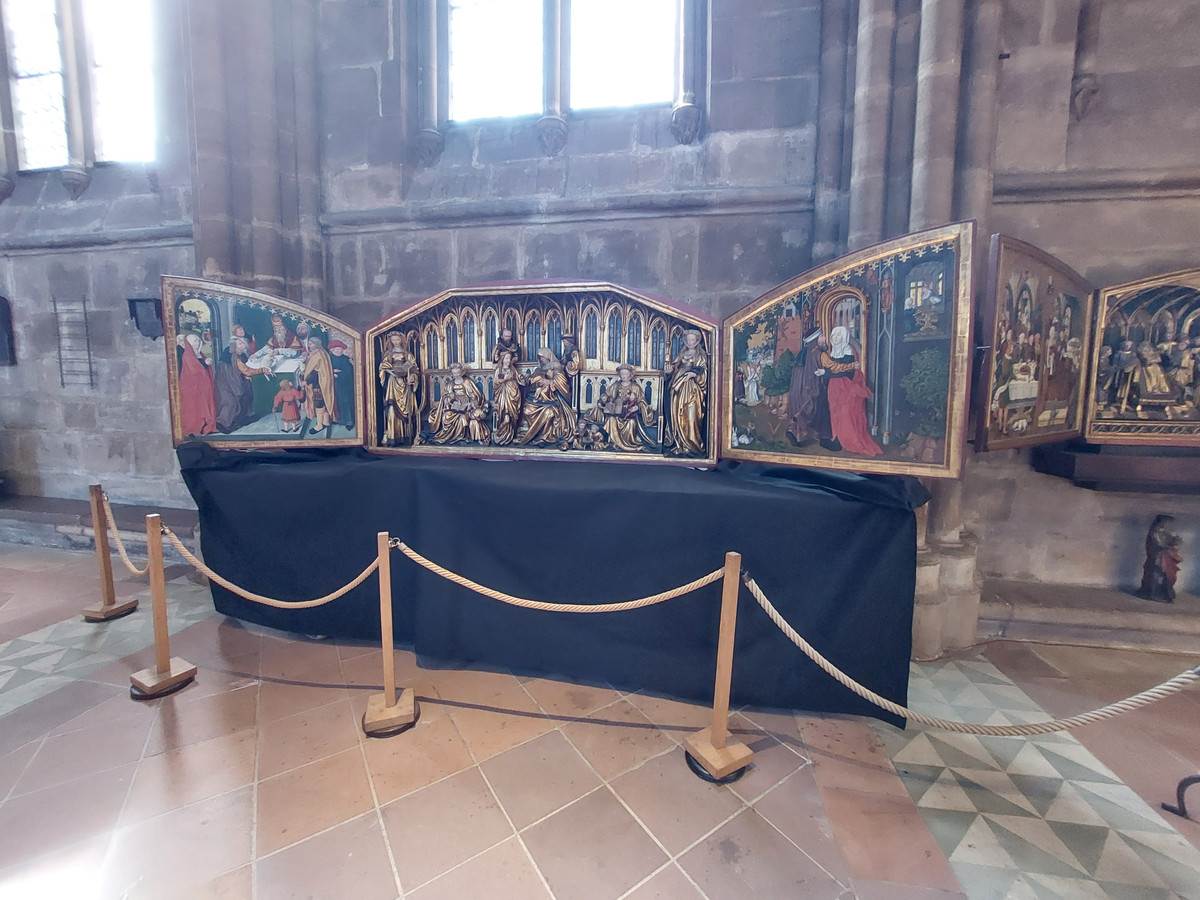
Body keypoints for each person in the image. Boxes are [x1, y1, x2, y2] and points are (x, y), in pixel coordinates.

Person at [820, 325, 883, 457]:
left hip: (847, 387)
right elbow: (834, 369)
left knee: (845, 413)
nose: (835, 338)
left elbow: (846, 372)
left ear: (844, 337)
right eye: (833, 335)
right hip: (835, 387)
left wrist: (826, 373)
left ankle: (846, 441)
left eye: (838, 335)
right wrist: (827, 373)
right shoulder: (833, 351)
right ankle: (836, 438)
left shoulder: (848, 350)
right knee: (835, 412)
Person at [786, 328, 838, 450]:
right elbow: (832, 368)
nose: (824, 338)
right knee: (817, 411)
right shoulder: (819, 354)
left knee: (809, 411)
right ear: (815, 340)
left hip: (801, 390)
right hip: (815, 388)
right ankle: (824, 438)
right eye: (822, 336)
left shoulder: (804, 352)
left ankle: (793, 430)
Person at [588, 364, 656, 452]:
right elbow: (606, 394)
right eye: (622, 374)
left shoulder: (635, 387)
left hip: (629, 413)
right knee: (611, 420)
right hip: (616, 412)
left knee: (631, 423)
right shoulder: (616, 385)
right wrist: (604, 398)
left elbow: (642, 401)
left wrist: (637, 407)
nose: (623, 376)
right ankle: (615, 443)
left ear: (630, 375)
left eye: (626, 374)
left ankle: (629, 443)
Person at [516, 347, 576, 447]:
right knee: (527, 409)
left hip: (553, 399)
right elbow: (533, 381)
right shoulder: (539, 369)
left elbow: (563, 383)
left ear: (547, 356)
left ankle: (545, 436)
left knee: (550, 412)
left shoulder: (556, 366)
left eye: (542, 357)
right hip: (539, 399)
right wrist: (528, 379)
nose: (541, 359)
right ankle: (534, 434)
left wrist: (549, 382)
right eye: (539, 358)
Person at [663, 329, 708, 457]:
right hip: (678, 388)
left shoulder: (700, 356)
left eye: (692, 340)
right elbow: (673, 368)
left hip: (692, 389)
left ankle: (692, 445)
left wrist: (694, 374)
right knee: (677, 414)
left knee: (691, 415)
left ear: (697, 340)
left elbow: (705, 372)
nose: (690, 342)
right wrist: (669, 372)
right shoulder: (681, 354)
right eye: (688, 340)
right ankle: (679, 444)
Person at [214, 335, 270, 433]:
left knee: (246, 394)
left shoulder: (241, 355)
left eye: (242, 343)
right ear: (234, 347)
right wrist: (261, 370)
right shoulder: (234, 356)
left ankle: (242, 419)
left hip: (235, 381)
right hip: (227, 384)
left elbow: (241, 371)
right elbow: (245, 370)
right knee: (231, 402)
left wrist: (243, 376)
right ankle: (223, 424)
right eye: (240, 344)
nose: (243, 345)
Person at [426, 362, 490, 444]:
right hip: (454, 406)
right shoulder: (450, 384)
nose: (456, 375)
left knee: (462, 418)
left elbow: (475, 396)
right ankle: (450, 436)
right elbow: (444, 398)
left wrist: (470, 404)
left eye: (458, 373)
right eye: (454, 373)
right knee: (446, 416)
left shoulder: (467, 382)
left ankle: (462, 437)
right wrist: (450, 399)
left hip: (466, 407)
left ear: (462, 372)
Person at [378, 331, 420, 446]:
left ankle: (407, 437)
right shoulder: (388, 354)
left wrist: (412, 376)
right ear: (390, 341)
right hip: (393, 383)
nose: (396, 342)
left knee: (408, 408)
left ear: (402, 340)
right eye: (393, 340)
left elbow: (415, 369)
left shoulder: (407, 354)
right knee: (392, 409)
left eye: (398, 340)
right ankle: (393, 437)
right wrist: (390, 372)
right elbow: (382, 367)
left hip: (405, 383)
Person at [177, 332, 218, 437]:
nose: (198, 343)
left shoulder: (200, 354)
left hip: (203, 385)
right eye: (195, 341)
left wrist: (206, 363)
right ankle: (194, 429)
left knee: (206, 405)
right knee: (195, 408)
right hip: (194, 387)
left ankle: (208, 426)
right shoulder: (187, 355)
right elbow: (194, 370)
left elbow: (203, 368)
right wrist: (205, 363)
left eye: (198, 340)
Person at [298, 335, 337, 436]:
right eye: (309, 344)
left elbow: (315, 372)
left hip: (318, 385)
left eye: (311, 344)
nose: (309, 345)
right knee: (324, 403)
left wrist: (306, 381)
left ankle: (319, 425)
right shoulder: (322, 353)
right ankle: (326, 422)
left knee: (319, 404)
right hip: (323, 384)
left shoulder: (317, 355)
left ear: (316, 344)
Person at [492, 350, 525, 445]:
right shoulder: (499, 370)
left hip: (513, 394)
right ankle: (500, 435)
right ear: (502, 359)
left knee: (512, 416)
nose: (508, 361)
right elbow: (495, 383)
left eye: (509, 359)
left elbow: (518, 379)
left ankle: (511, 435)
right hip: (503, 395)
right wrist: (504, 379)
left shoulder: (512, 369)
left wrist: (522, 379)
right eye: (506, 358)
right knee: (504, 416)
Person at [328, 339, 356, 429]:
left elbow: (349, 372)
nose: (339, 351)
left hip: (345, 385)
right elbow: (325, 370)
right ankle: (336, 419)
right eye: (337, 349)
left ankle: (349, 421)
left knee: (346, 402)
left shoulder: (345, 359)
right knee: (335, 402)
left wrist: (336, 375)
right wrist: (332, 372)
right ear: (332, 349)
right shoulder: (328, 359)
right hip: (332, 385)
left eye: (340, 349)